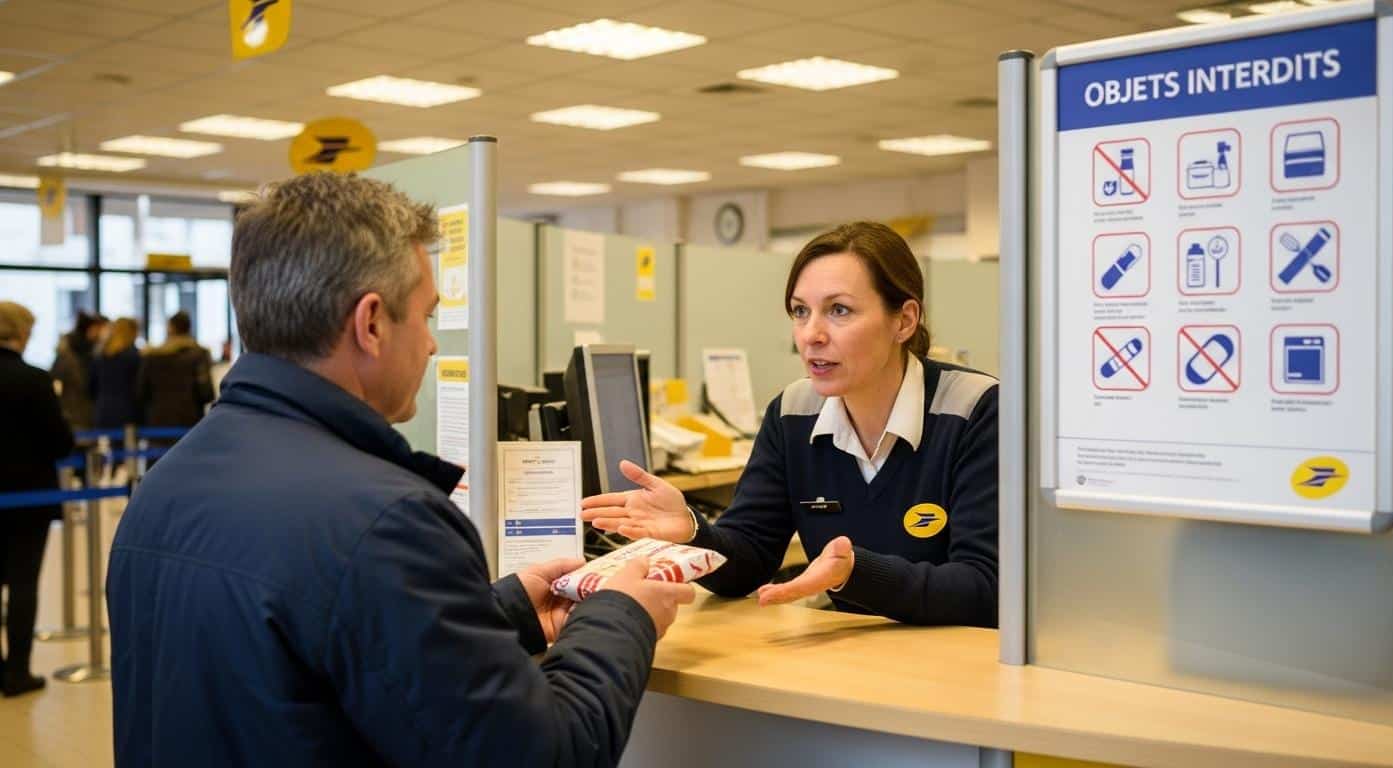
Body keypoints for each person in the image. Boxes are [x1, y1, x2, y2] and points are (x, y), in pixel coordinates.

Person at [107, 172, 694, 767]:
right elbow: (544, 757)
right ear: (370, 323)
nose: (434, 346)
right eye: (426, 317)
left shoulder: (166, 482)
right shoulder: (384, 520)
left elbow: (304, 661)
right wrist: (621, 617)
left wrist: (505, 611)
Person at [583, 222, 999, 627]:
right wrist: (693, 533)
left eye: (839, 310)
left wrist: (854, 573)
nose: (810, 335)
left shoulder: (975, 410)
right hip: (854, 659)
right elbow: (747, 563)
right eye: (801, 312)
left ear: (904, 320)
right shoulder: (792, 413)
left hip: (959, 667)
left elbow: (984, 587)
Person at [0, 301, 75, 696]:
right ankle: (17, 672)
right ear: (20, 332)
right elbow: (59, 440)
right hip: (29, 496)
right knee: (23, 584)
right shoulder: (33, 379)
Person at [137, 310, 213, 428]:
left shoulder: (152, 356)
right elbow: (206, 392)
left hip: (158, 421)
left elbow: (141, 391)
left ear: (170, 328)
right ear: (189, 328)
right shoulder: (200, 354)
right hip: (190, 421)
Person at [51, 311, 108, 430]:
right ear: (90, 329)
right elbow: (56, 384)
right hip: (73, 415)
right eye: (100, 329)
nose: (103, 334)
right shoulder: (68, 355)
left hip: (87, 414)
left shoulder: (95, 353)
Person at [91, 317, 142, 431]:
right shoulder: (134, 356)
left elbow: (92, 386)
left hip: (103, 411)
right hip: (128, 413)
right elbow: (139, 387)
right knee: (128, 448)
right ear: (132, 332)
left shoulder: (100, 355)